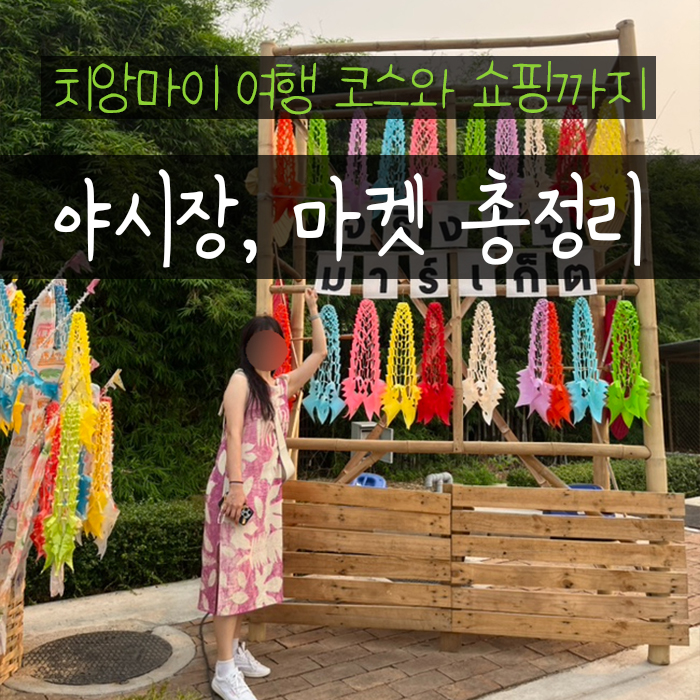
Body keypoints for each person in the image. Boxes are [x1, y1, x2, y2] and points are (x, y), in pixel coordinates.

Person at [198, 289, 327, 700]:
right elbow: (234, 434)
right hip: (237, 493)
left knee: (250, 575)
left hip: (264, 497)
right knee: (232, 577)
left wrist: (313, 309)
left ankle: (235, 651)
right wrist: (236, 488)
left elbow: (319, 355)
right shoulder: (241, 382)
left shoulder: (278, 384)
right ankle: (224, 670)